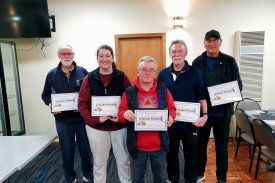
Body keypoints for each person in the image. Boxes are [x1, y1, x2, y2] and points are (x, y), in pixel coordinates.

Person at [192, 30, 243, 183]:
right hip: (203, 114)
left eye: (215, 40)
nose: (212, 43)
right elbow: (193, 87)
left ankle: (222, 178)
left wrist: (225, 96)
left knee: (222, 149)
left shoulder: (229, 61)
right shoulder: (197, 62)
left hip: (223, 114)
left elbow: (238, 84)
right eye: (209, 40)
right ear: (204, 43)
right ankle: (199, 175)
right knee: (200, 147)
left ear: (220, 42)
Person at [118, 56, 176, 183]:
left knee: (160, 178)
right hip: (137, 147)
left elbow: (172, 109)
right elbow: (120, 115)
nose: (147, 73)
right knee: (138, 179)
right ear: (138, 71)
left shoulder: (163, 90)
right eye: (143, 69)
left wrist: (171, 117)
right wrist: (125, 114)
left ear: (155, 73)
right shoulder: (129, 92)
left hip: (159, 146)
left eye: (151, 70)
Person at [78, 45, 131, 183]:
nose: (104, 59)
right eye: (101, 56)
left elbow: (130, 101)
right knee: (99, 163)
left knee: (124, 161)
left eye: (107, 56)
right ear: (97, 58)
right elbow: (82, 104)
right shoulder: (89, 78)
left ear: (112, 58)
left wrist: (121, 117)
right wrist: (93, 119)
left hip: (119, 127)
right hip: (97, 128)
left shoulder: (122, 77)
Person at [41, 44, 93, 183]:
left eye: (69, 53)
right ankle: (70, 178)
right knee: (67, 151)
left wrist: (84, 106)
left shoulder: (83, 72)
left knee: (85, 150)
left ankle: (88, 175)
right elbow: (45, 95)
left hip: (81, 119)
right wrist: (50, 104)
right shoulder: (51, 74)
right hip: (63, 120)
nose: (66, 56)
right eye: (63, 54)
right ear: (58, 56)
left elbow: (91, 93)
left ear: (73, 55)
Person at [157, 40, 208, 183]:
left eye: (180, 51)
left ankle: (190, 180)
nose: (177, 54)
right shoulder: (162, 74)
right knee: (171, 155)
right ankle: (172, 180)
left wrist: (205, 115)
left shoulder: (195, 73)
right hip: (170, 123)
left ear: (186, 53)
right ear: (169, 54)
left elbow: (201, 97)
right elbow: (159, 99)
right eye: (174, 51)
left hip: (191, 124)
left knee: (191, 157)